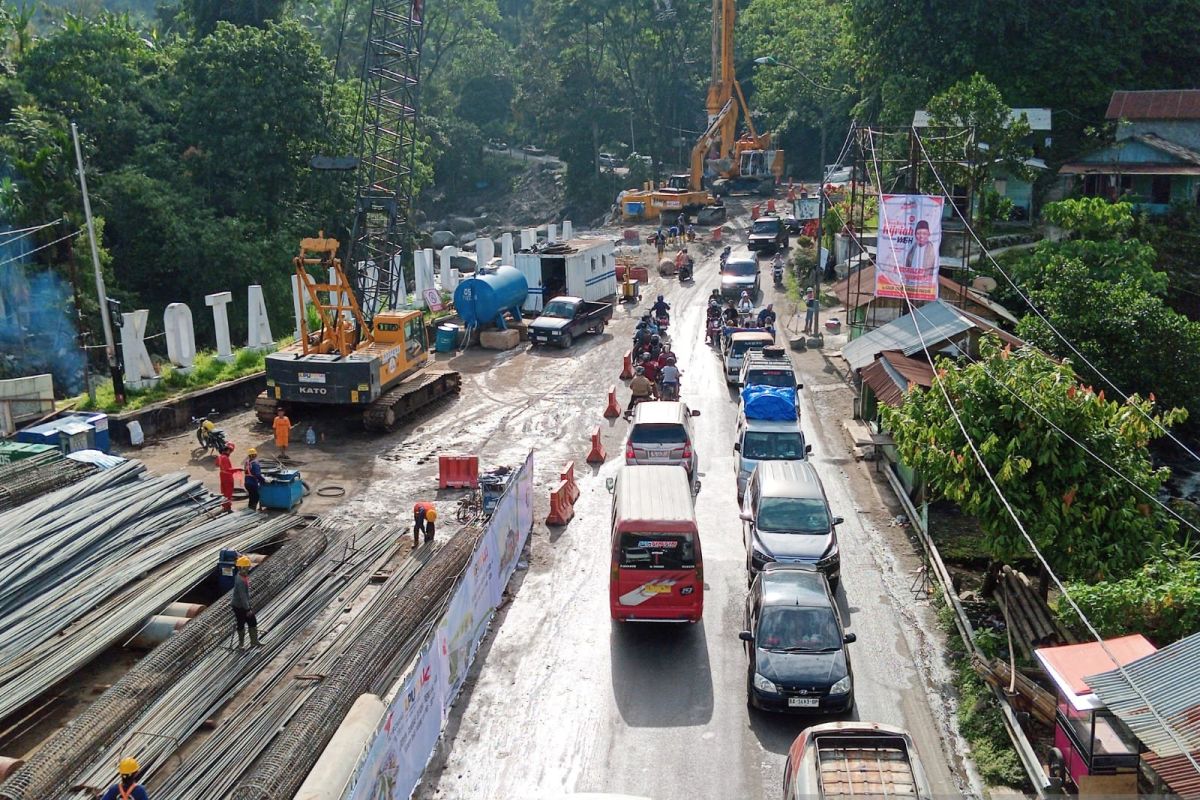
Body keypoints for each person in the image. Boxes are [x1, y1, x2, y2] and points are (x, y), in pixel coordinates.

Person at [231, 555, 260, 649]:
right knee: (241, 623)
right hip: (239, 606)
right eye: (246, 567)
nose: (248, 569)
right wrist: (248, 609)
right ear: (241, 568)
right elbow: (243, 596)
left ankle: (254, 642)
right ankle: (241, 644)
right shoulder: (240, 580)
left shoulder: (242, 576)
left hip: (244, 605)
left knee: (252, 622)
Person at [216, 442, 238, 513]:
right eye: (230, 451)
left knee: (224, 491)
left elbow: (217, 464)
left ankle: (224, 506)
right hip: (227, 477)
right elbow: (228, 469)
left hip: (222, 475)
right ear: (228, 450)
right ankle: (228, 508)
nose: (230, 453)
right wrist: (238, 469)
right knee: (228, 493)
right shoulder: (225, 458)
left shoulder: (219, 457)